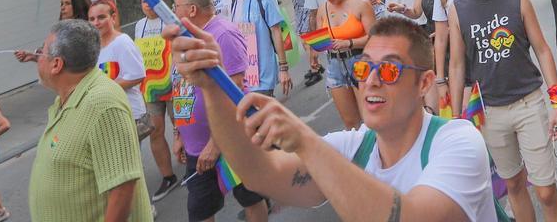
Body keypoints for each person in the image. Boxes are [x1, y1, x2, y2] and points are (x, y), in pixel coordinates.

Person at [170, 13, 496, 221]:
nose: (371, 80)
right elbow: (260, 173)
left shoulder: (457, 140)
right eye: (363, 67)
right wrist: (211, 87)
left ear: (424, 83)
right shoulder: (353, 148)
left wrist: (306, 142)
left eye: (390, 69)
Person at [448, 0, 557, 222]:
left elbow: (542, 50)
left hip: (529, 105)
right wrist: (456, 118)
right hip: (489, 113)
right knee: (513, 185)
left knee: (546, 192)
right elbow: (456, 66)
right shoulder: (458, 9)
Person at [28, 19, 153, 222]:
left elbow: (122, 188)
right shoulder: (68, 97)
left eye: (41, 52)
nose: (38, 58)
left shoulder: (101, 104)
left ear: (57, 64)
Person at [168, 0, 269, 222]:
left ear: (192, 10)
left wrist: (216, 144)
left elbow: (235, 92)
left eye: (177, 5)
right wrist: (180, 133)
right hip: (195, 147)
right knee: (200, 210)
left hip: (229, 141)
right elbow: (181, 86)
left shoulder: (223, 33)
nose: (174, 10)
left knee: (251, 197)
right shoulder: (185, 37)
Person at [132, 0, 179, 202]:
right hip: (150, 87)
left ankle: (197, 164)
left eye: (150, 0)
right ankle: (168, 176)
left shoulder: (170, 20)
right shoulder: (139, 26)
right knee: (155, 131)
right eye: (143, 1)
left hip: (175, 82)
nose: (147, 5)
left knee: (183, 126)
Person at [315, 0, 378, 130]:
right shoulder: (323, 9)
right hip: (335, 63)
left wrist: (349, 43)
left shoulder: (360, 5)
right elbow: (320, 39)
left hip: (359, 60)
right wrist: (316, 47)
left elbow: (374, 38)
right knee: (350, 122)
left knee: (369, 118)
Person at [224, 0, 292, 97]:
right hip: (242, 78)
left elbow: (276, 32)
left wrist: (283, 68)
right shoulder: (231, 3)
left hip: (263, 76)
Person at [89, 0, 154, 141]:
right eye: (92, 19)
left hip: (129, 115)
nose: (96, 23)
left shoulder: (122, 42)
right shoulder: (93, 47)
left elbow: (137, 75)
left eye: (101, 17)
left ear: (113, 18)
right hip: (109, 117)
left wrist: (104, 89)